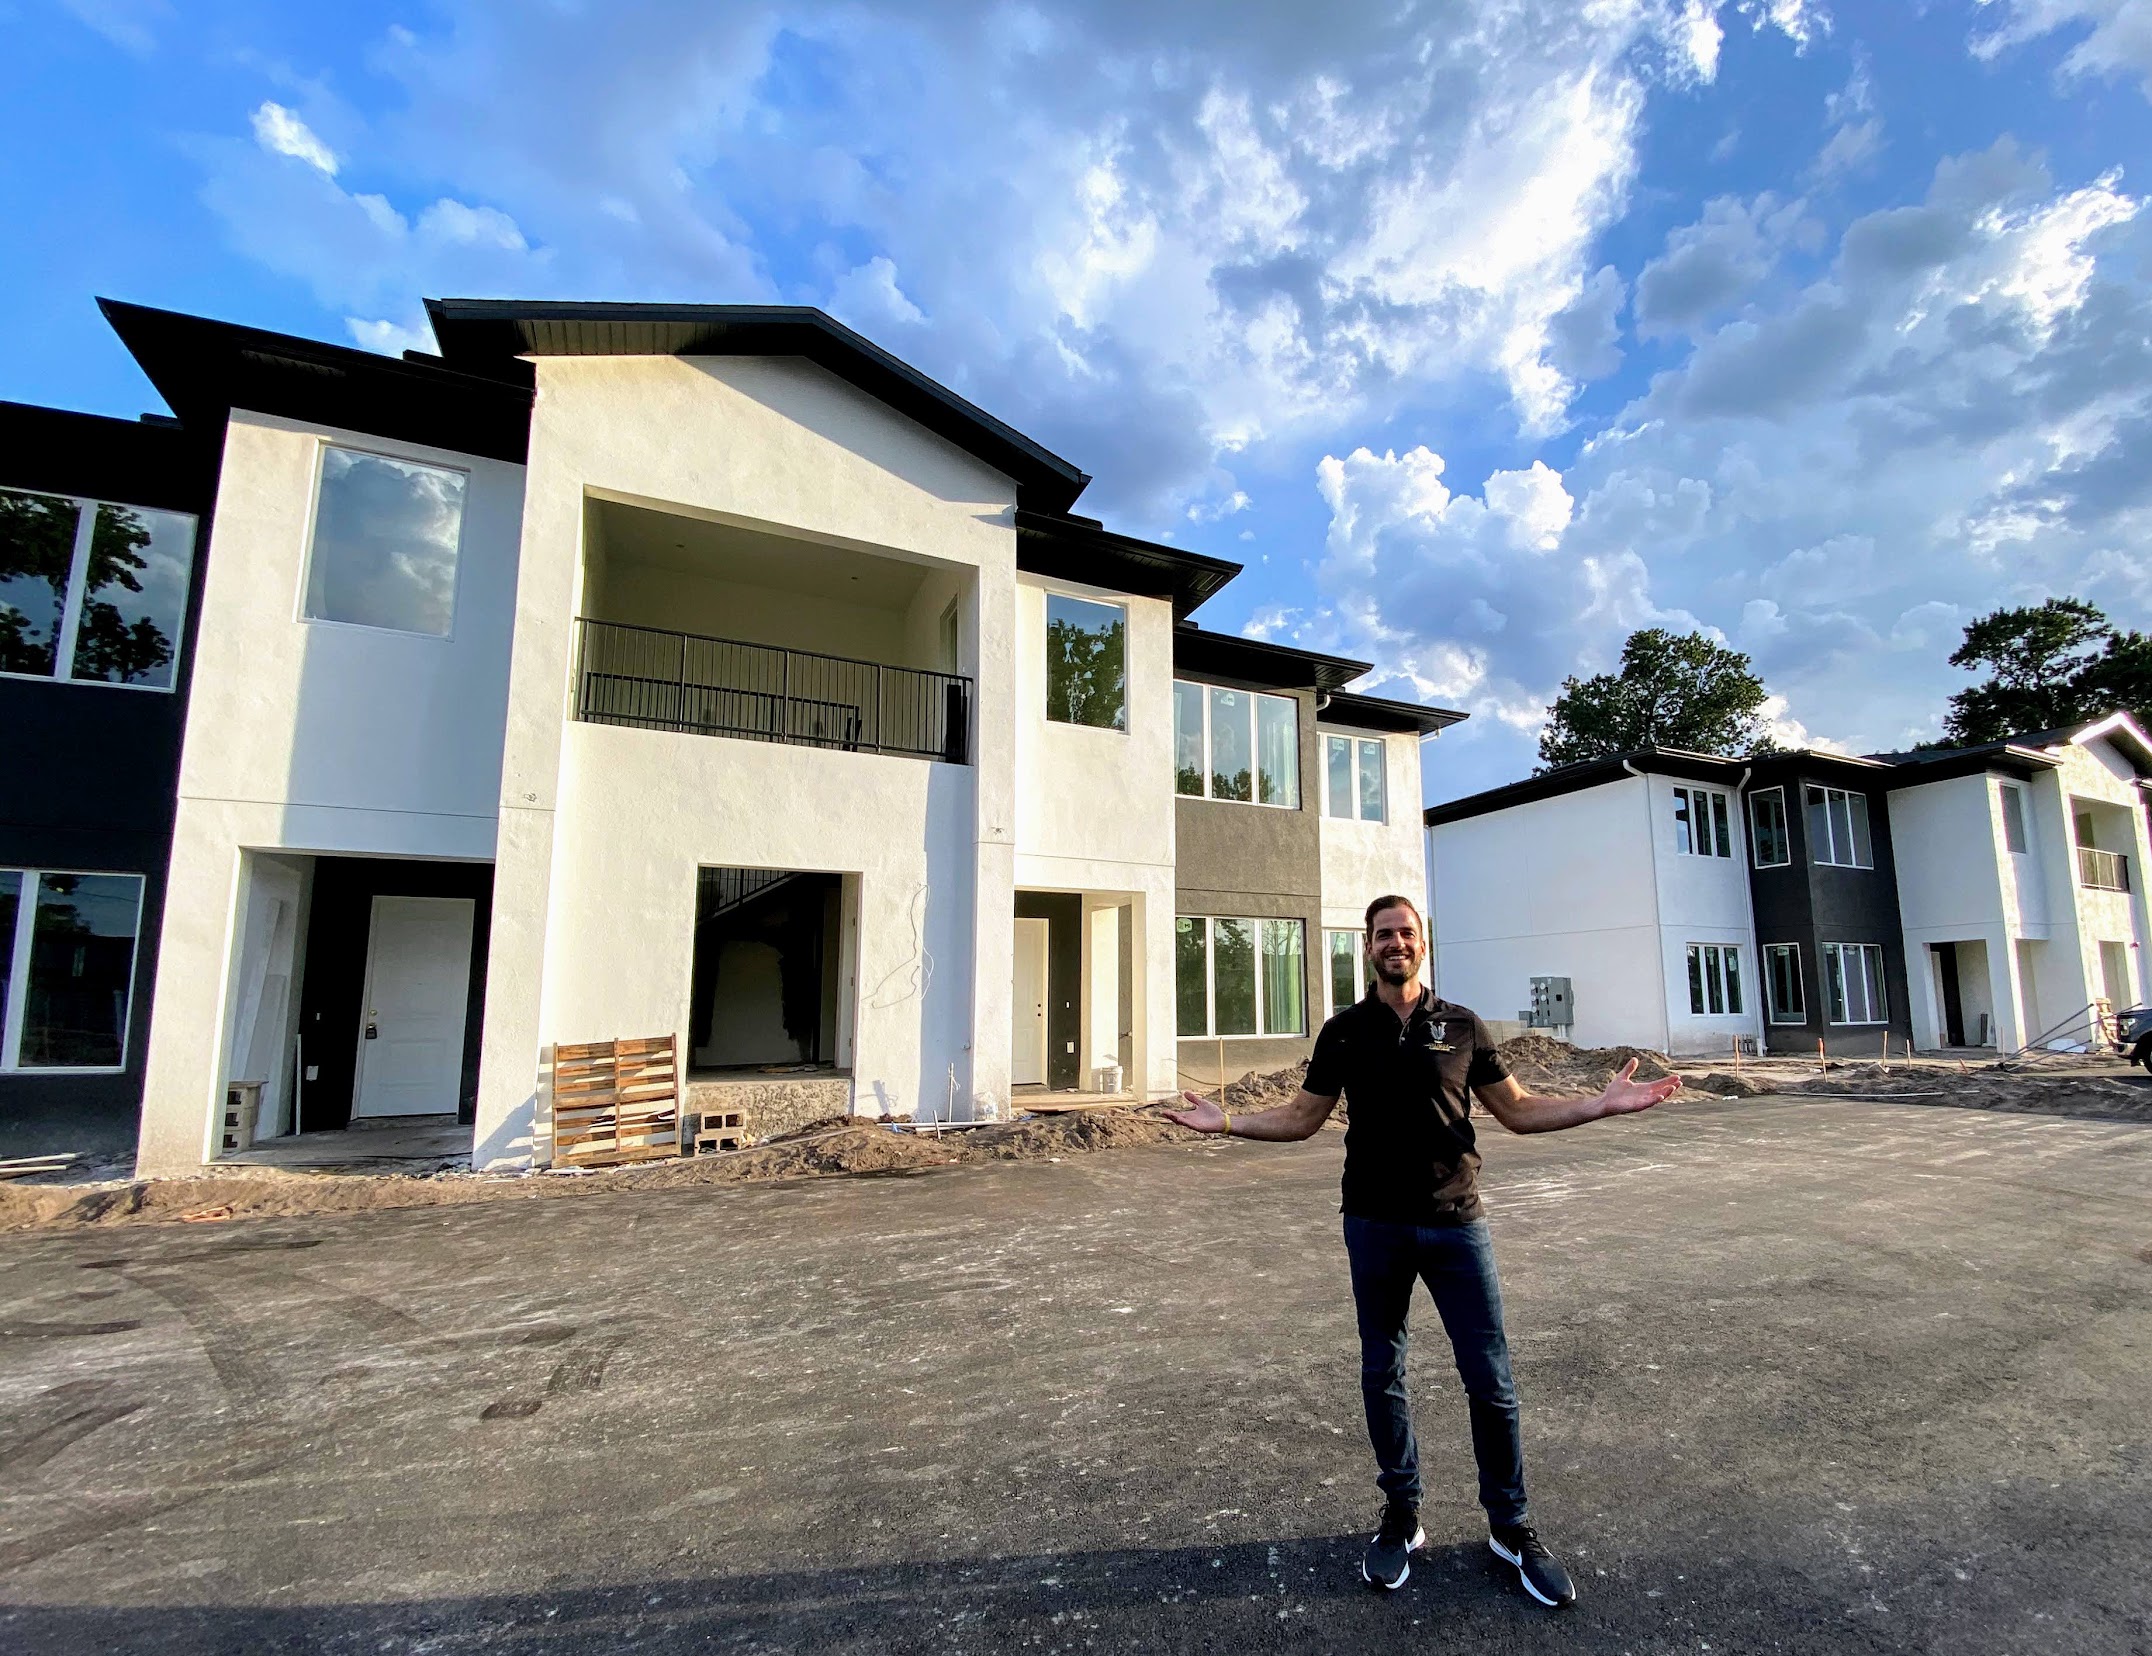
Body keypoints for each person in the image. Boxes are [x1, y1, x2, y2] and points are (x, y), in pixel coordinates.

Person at [1164, 894, 1678, 1605]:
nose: (1395, 943)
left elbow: (1519, 1111)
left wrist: (1597, 1104)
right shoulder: (1344, 1032)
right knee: (1384, 1372)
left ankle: (1511, 1527)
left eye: (1405, 933)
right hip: (1373, 1225)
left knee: (1490, 1381)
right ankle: (1401, 1519)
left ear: (1422, 943)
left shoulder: (1462, 1026)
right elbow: (1303, 1117)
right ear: (1367, 948)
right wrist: (1229, 1124)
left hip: (1455, 1222)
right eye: (1383, 935)